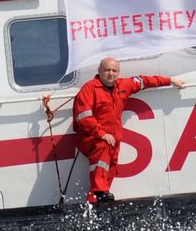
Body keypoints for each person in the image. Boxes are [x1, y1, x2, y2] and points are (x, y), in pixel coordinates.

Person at [73, 56, 183, 203]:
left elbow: (144, 81)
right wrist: (101, 134)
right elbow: (83, 117)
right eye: (107, 70)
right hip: (92, 137)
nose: (111, 73)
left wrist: (169, 80)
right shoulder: (89, 89)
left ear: (118, 72)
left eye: (114, 70)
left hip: (112, 138)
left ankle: (94, 203)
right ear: (99, 70)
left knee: (110, 168)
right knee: (102, 160)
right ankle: (100, 193)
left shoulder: (123, 85)